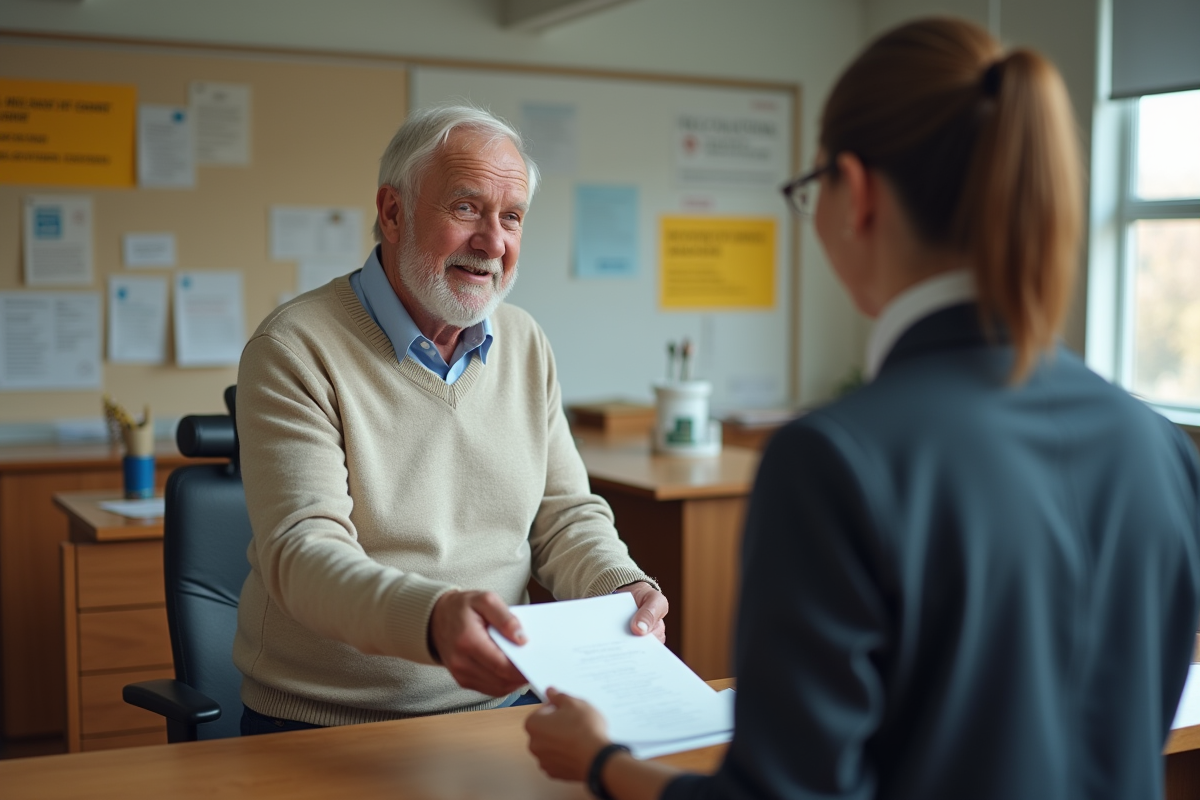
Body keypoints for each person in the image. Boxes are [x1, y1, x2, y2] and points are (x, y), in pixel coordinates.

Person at [524, 17, 1200, 800]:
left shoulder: (838, 459)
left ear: (859, 193)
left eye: (810, 193)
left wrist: (605, 764)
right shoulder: (1157, 447)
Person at [233, 104, 667, 733]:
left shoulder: (525, 342)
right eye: (466, 209)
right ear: (392, 212)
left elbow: (564, 514)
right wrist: (433, 622)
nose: (493, 242)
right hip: (328, 719)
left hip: (501, 708)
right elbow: (303, 553)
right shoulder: (295, 348)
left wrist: (616, 584)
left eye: (511, 218)